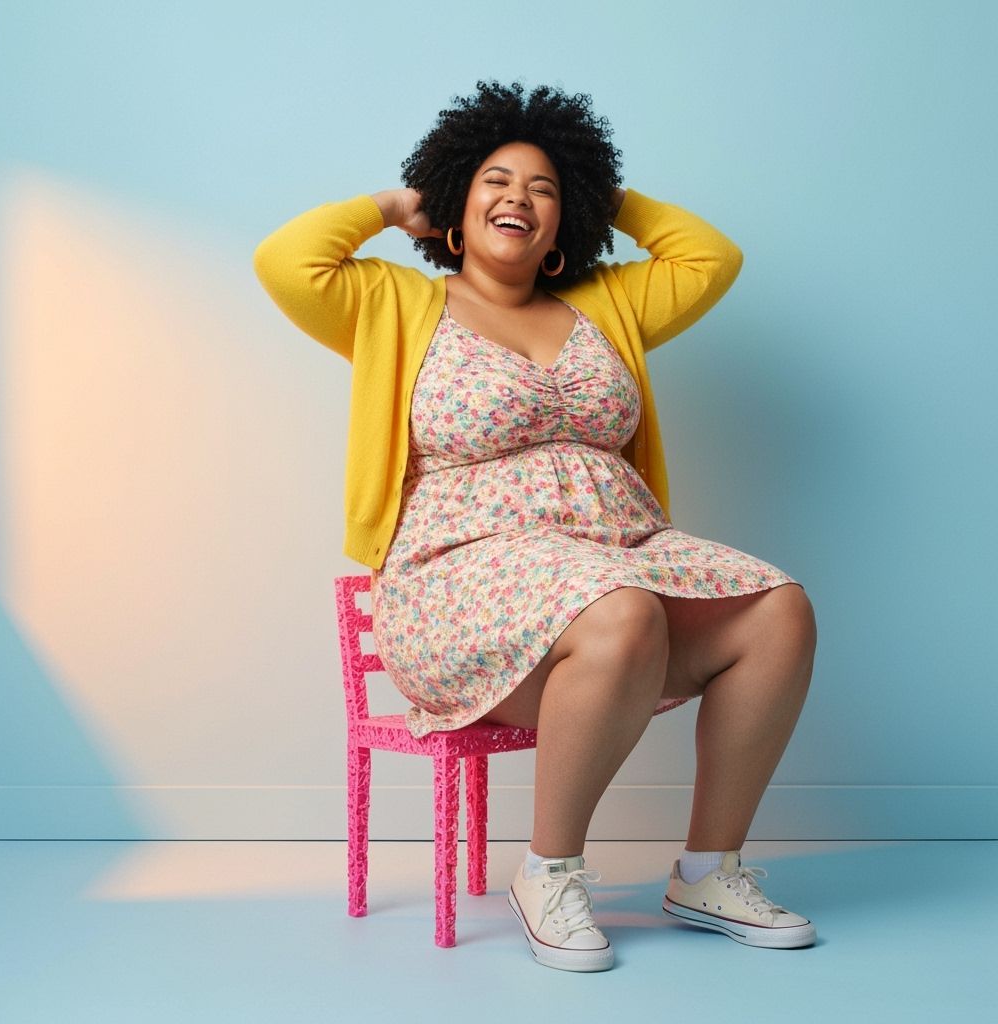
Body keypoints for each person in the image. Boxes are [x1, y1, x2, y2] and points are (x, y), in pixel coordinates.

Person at [254, 81, 818, 973]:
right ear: (454, 203)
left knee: (779, 607)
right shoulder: (394, 305)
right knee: (622, 606)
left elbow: (710, 258)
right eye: (494, 180)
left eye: (544, 188)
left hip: (620, 553)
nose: (518, 196)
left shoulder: (609, 304)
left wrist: (600, 191)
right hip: (461, 581)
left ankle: (709, 871)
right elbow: (287, 262)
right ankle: (550, 872)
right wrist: (398, 204)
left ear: (567, 224)